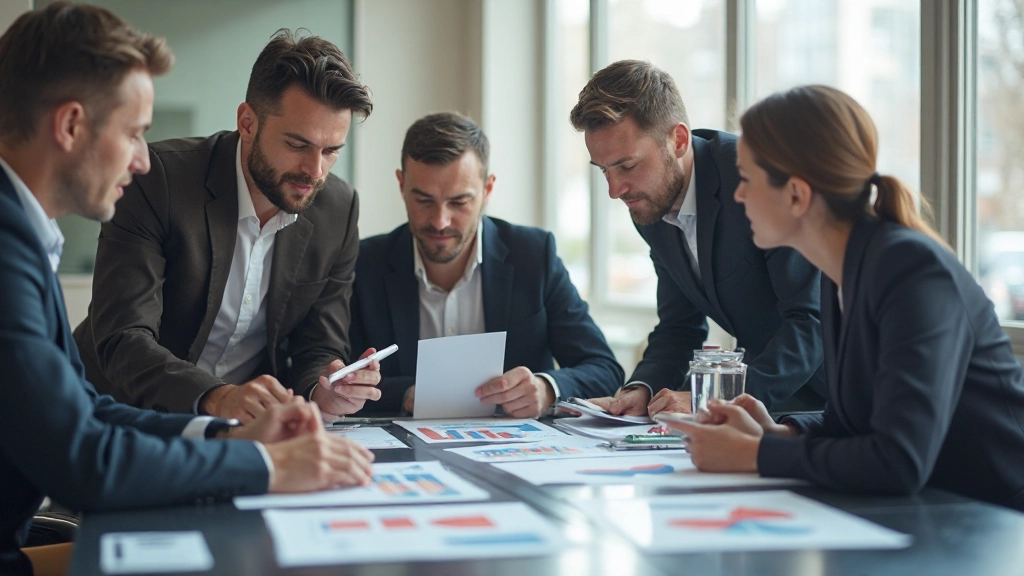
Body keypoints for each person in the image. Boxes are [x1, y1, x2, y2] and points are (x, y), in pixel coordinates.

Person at [0, 5, 374, 575]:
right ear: (71, 125)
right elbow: (86, 454)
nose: (142, 157)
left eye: (331, 152)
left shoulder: (23, 237)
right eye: (133, 133)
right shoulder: (8, 252)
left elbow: (85, 413)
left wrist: (228, 435)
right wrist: (264, 466)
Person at [664, 85, 1024, 511]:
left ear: (796, 194)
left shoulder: (912, 271)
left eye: (745, 179)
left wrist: (754, 455)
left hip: (994, 524)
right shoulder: (843, 274)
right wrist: (775, 433)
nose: (737, 195)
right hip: (932, 513)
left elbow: (898, 460)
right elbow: (854, 425)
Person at [73, 29, 382, 424]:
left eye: (331, 150)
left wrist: (326, 386)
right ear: (248, 123)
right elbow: (123, 339)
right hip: (117, 415)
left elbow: (318, 345)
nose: (315, 170)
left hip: (242, 429)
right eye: (297, 144)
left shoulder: (338, 209)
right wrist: (217, 398)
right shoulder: (158, 180)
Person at [570, 60, 825, 416]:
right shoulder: (650, 205)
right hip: (775, 404)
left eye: (627, 166)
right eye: (604, 171)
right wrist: (641, 389)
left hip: (851, 395)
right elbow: (680, 325)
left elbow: (812, 320)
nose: (615, 190)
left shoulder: (755, 179)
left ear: (678, 140)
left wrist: (711, 398)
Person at [349, 112, 624, 418]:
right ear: (401, 185)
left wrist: (547, 389)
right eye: (424, 200)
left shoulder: (533, 256)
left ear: (487, 191)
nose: (440, 221)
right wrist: (407, 395)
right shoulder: (364, 265)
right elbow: (341, 382)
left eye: (459, 202)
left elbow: (605, 370)